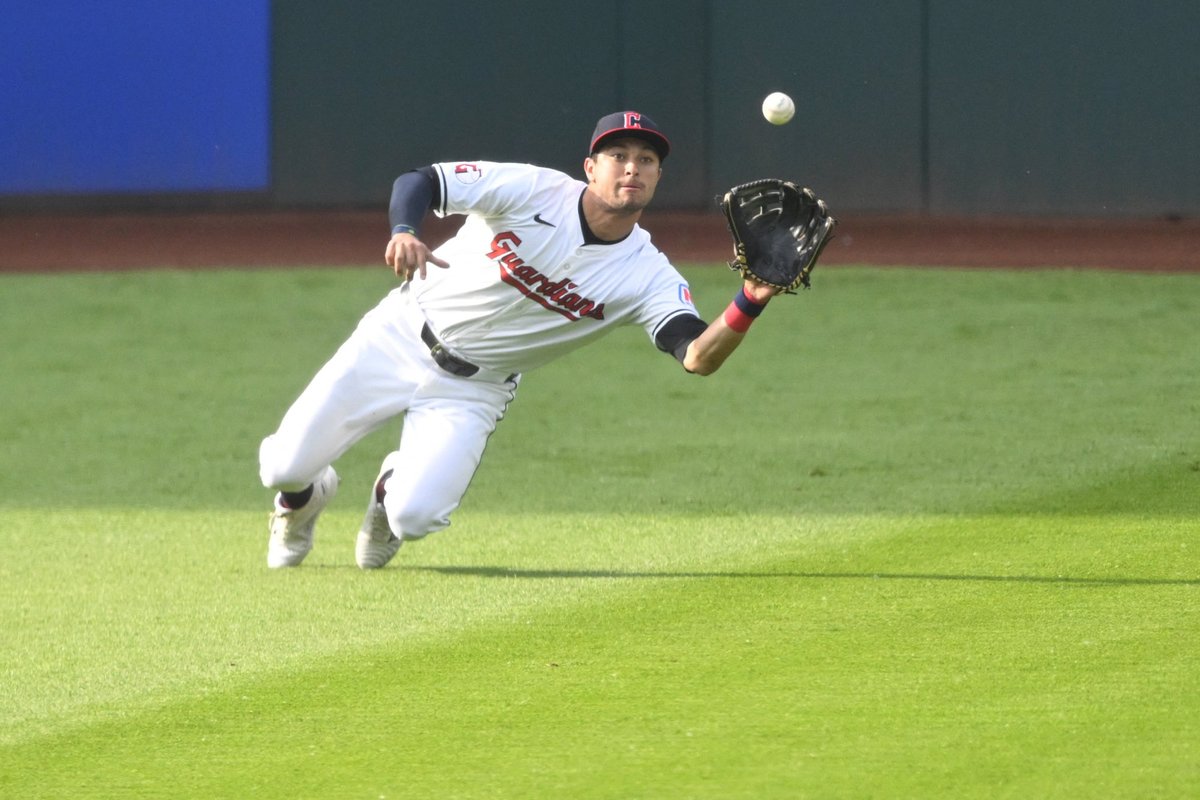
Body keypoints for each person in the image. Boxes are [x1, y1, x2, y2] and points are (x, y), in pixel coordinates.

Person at [258, 111, 783, 569]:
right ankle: (302, 501)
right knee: (283, 466)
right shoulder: (531, 188)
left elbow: (696, 356)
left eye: (646, 160)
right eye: (617, 154)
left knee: (415, 517)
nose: (631, 167)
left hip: (473, 390)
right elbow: (422, 181)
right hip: (398, 336)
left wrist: (750, 300)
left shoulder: (648, 275)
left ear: (658, 176)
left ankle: (388, 494)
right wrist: (403, 229)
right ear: (590, 168)